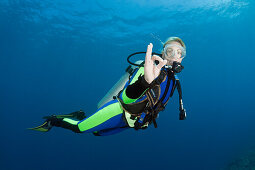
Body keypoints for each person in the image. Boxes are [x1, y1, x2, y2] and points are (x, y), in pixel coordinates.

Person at [29, 37, 187, 136]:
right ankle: (53, 121)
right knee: (79, 129)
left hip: (132, 122)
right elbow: (126, 97)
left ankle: (78, 114)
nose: (174, 55)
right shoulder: (151, 68)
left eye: (179, 52)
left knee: (97, 132)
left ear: (183, 57)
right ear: (163, 53)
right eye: (170, 51)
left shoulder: (174, 82)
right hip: (118, 111)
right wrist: (144, 82)